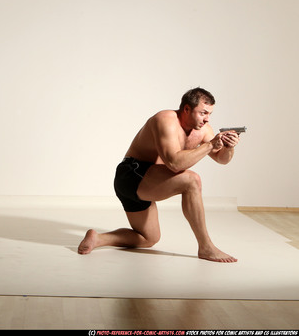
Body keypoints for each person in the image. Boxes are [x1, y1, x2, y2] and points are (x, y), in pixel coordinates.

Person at [78, 87, 240, 262]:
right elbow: (174, 163)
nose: (207, 119)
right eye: (203, 113)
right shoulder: (165, 120)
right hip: (132, 174)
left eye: (209, 114)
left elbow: (222, 159)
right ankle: (206, 247)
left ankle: (98, 238)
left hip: (150, 180)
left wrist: (229, 147)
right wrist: (209, 145)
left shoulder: (203, 129)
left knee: (149, 238)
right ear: (186, 109)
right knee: (192, 180)